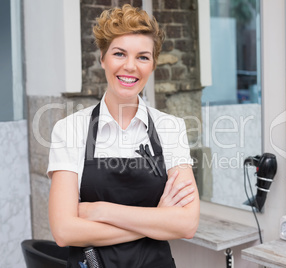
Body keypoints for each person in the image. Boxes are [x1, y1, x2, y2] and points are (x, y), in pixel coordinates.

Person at [47, 4, 200, 268]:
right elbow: (64, 232)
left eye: (143, 57)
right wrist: (157, 219)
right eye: (119, 54)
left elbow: (187, 224)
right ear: (103, 58)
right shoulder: (70, 129)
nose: (130, 66)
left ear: (153, 65)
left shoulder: (170, 128)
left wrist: (100, 211)